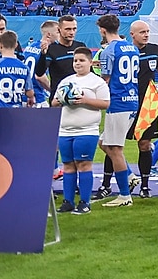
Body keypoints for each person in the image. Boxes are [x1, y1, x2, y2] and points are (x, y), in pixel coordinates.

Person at [53, 45, 110, 215]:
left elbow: (105, 103)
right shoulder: (66, 81)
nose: (78, 64)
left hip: (86, 130)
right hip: (65, 131)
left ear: (90, 62)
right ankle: (68, 201)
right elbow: (54, 103)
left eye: (81, 61)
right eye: (75, 61)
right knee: (68, 166)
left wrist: (84, 100)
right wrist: (63, 99)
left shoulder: (96, 82)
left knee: (84, 165)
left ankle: (85, 202)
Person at [95, 14, 141, 207]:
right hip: (132, 99)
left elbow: (105, 79)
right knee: (104, 143)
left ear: (102, 30)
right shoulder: (132, 48)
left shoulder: (108, 50)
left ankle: (124, 195)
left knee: (115, 149)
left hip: (118, 101)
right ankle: (130, 175)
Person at [130, 20, 158, 197]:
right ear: (132, 35)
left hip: (148, 104)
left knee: (144, 145)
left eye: (147, 31)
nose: (146, 35)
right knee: (113, 145)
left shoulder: (155, 50)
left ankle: (145, 186)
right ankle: (115, 181)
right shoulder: (126, 51)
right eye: (142, 32)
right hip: (127, 102)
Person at [0, 30, 34, 108]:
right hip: (17, 111)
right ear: (16, 45)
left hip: (0, 112)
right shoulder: (24, 67)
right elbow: (30, 93)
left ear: (0, 46)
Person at [36, 14, 80, 99]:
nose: (71, 32)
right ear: (59, 30)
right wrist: (43, 54)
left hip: (78, 98)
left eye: (74, 29)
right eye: (68, 29)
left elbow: (89, 72)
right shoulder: (52, 49)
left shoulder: (80, 46)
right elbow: (40, 73)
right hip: (59, 99)